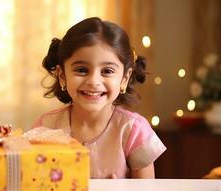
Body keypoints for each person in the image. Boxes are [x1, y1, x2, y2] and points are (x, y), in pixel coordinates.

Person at [32, 17, 166, 179]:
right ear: (62, 76)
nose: (94, 81)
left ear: (124, 79)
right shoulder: (45, 127)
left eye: (107, 71)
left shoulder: (133, 130)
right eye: (81, 70)